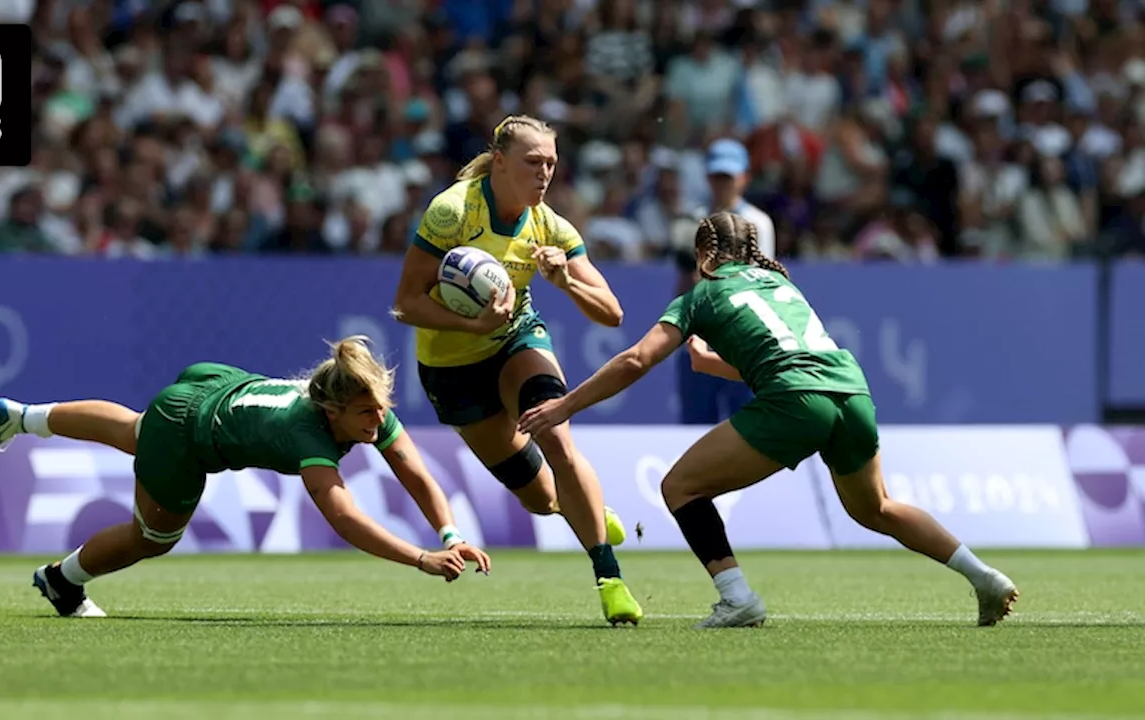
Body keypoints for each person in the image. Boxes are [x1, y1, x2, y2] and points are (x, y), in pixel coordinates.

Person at [519, 211, 1019, 629]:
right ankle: (984, 577)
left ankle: (737, 598)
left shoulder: (700, 295)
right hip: (851, 391)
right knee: (877, 508)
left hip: (796, 401)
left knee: (680, 488)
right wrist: (715, 363)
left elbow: (636, 360)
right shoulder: (780, 282)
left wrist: (565, 406)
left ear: (703, 255)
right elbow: (783, 354)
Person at [0, 336, 492, 618]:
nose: (378, 424)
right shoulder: (308, 436)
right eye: (367, 416)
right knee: (149, 539)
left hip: (212, 382)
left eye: (381, 411)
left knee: (137, 429)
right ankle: (62, 581)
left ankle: (20, 416)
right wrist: (420, 558)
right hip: (187, 432)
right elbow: (344, 516)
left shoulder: (359, 402)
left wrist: (450, 534)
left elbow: (410, 467)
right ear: (333, 412)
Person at [391, 114, 642, 625]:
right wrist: (474, 324)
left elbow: (612, 313)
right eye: (533, 162)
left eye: (551, 162)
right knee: (542, 498)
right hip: (452, 369)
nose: (544, 173)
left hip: (516, 341)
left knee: (558, 441)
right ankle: (587, 510)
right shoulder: (451, 212)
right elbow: (405, 303)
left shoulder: (551, 225)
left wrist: (564, 280)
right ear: (500, 162)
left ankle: (609, 577)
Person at [675, 139, 776, 426]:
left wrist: (708, 277)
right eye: (717, 176)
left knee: (745, 422)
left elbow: (756, 280)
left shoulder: (758, 223)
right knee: (695, 421)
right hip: (700, 335)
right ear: (708, 178)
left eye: (728, 177)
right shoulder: (691, 220)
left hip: (741, 338)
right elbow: (683, 283)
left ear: (744, 178)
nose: (722, 184)